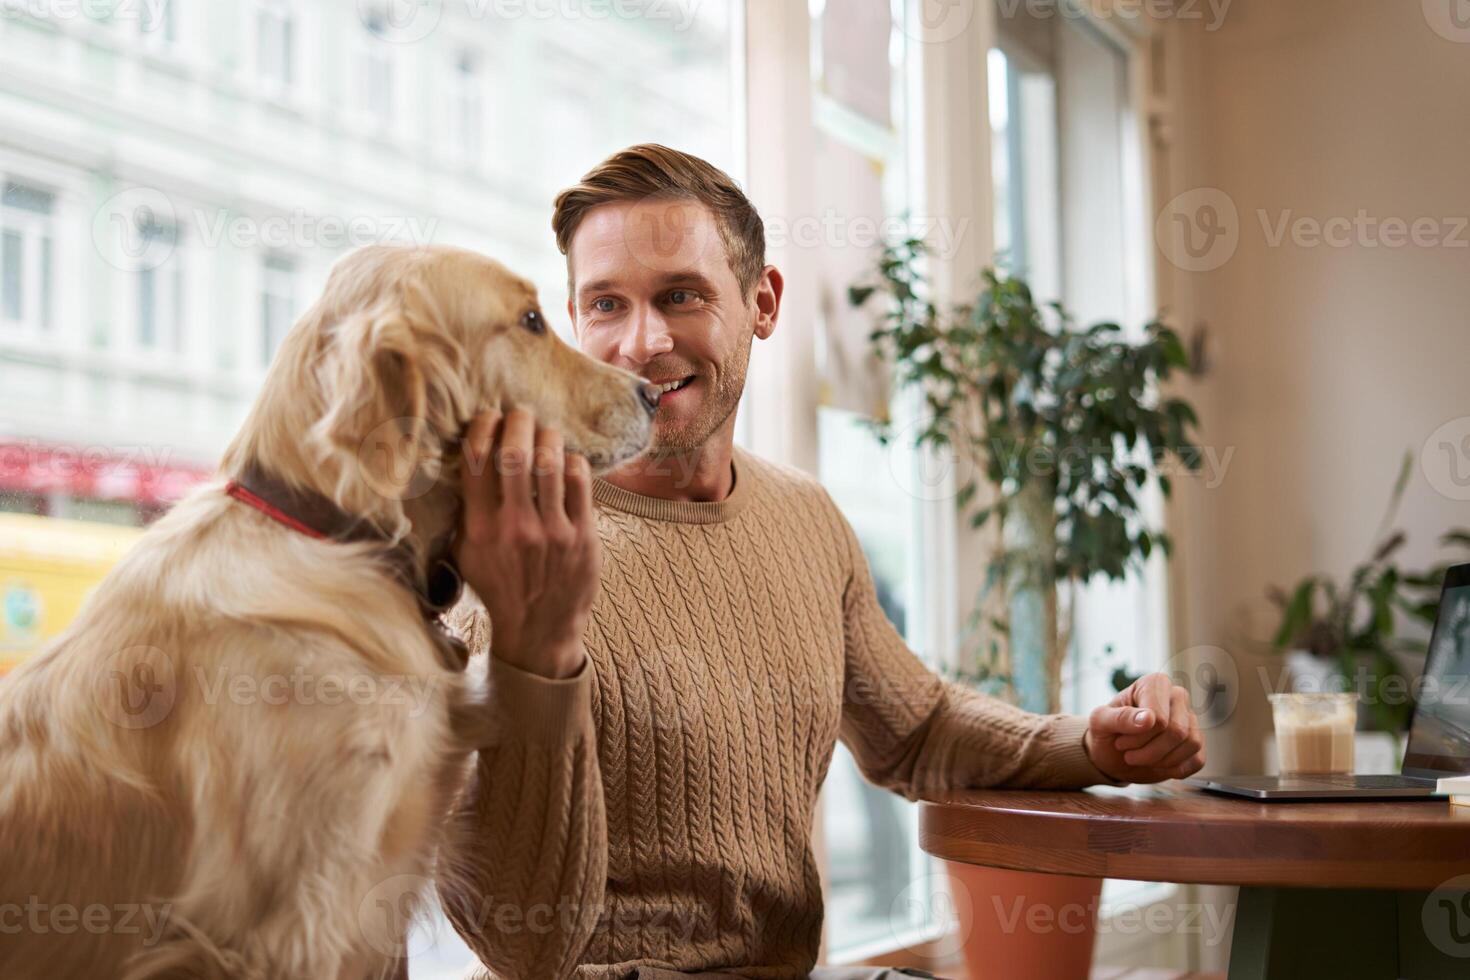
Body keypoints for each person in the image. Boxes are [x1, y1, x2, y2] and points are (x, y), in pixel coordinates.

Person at [440, 144, 1206, 980]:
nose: (642, 341)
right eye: (605, 305)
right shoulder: (514, 549)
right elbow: (515, 940)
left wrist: (1088, 743)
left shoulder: (801, 514)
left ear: (763, 302)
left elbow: (916, 732)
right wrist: (534, 642)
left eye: (681, 296)